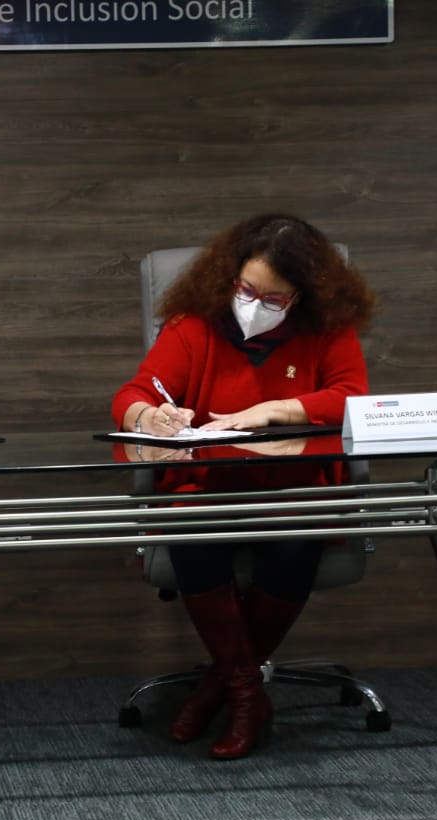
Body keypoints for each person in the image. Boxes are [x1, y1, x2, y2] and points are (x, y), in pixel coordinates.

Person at [111, 213, 375, 760]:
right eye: (247, 290)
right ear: (229, 277)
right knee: (191, 528)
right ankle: (245, 692)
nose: (254, 305)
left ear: (303, 296)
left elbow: (353, 396)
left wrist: (278, 408)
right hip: (209, 482)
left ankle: (220, 687)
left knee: (295, 538)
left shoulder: (328, 327)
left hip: (292, 484)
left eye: (274, 298)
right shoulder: (194, 324)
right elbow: (136, 392)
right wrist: (149, 416)